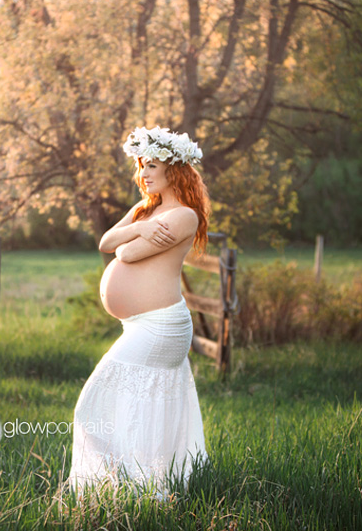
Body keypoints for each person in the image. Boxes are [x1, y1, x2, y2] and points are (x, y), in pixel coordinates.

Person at [68, 126, 209, 500]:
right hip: (138, 325)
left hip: (162, 325)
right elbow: (105, 242)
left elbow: (126, 253)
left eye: (152, 166)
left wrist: (132, 235)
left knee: (100, 401)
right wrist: (142, 227)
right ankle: (127, 489)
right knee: (128, 404)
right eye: (142, 166)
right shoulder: (147, 209)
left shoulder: (184, 216)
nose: (144, 174)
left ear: (174, 170)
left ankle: (140, 489)